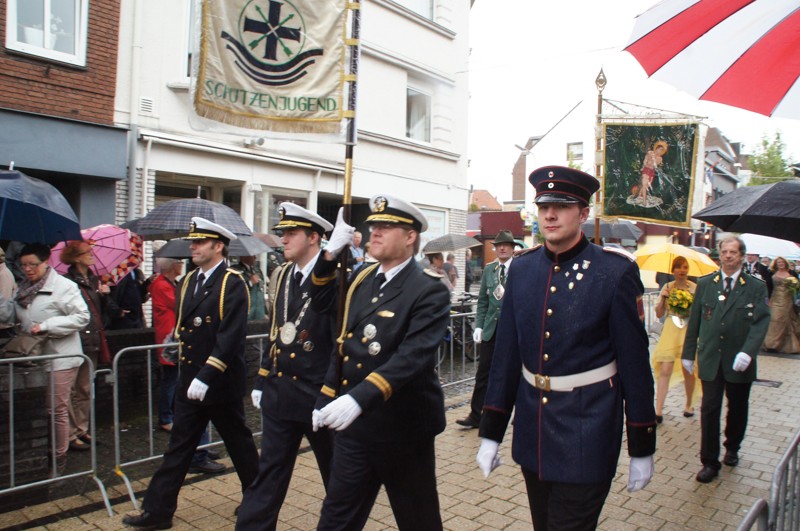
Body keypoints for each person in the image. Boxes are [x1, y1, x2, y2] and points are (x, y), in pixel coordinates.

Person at [477, 166, 656, 530]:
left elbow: (635, 365)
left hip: (588, 431)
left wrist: (642, 445)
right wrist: (491, 432)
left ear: (584, 213)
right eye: (544, 207)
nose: (550, 215)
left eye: (561, 206)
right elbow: (507, 357)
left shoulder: (614, 272)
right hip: (533, 431)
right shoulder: (522, 270)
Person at [311, 195, 451, 530]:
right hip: (357, 429)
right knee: (336, 518)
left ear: (410, 236)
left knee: (418, 520)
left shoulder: (429, 288)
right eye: (374, 225)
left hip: (403, 428)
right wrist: (329, 255)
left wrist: (358, 399)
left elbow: (413, 355)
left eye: (386, 226)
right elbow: (329, 314)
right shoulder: (363, 278)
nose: (374, 232)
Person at [123, 218, 259, 529]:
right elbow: (185, 328)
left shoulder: (232, 282)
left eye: (200, 242)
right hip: (190, 380)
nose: (193, 247)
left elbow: (230, 337)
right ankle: (157, 512)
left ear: (218, 246)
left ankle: (257, 500)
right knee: (178, 447)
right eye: (192, 241)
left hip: (219, 382)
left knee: (239, 445)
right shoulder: (188, 281)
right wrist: (175, 342)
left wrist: (207, 375)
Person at [237, 203, 336, 530]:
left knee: (337, 478)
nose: (284, 239)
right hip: (281, 393)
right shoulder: (282, 275)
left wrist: (330, 395)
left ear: (314, 237)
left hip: (318, 395)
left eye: (292, 233)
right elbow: (277, 332)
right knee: (268, 475)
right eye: (283, 233)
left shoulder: (336, 278)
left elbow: (340, 343)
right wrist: (262, 379)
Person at [681, 236, 770, 483]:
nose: (728, 256)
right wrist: (688, 353)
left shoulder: (755, 286)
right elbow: (695, 320)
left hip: (739, 360)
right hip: (711, 357)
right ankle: (709, 461)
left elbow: (761, 321)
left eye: (733, 252)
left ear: (742, 256)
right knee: (709, 408)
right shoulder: (706, 283)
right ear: (719, 255)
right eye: (724, 251)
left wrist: (748, 351)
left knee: (738, 406)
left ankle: (732, 446)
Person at [0, 243, 90, 476]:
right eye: (23, 265)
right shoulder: (23, 289)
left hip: (61, 357)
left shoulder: (64, 286)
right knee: (45, 409)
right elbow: (10, 315)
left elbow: (82, 317)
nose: (28, 269)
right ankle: (47, 456)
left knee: (55, 410)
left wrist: (47, 325)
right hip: (35, 357)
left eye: (33, 264)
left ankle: (58, 460)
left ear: (46, 262)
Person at [150, 257, 226, 474]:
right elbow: (185, 305)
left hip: (188, 347)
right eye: (178, 262)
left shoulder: (180, 282)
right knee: (177, 389)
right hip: (176, 345)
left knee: (191, 401)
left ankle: (199, 449)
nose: (182, 264)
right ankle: (196, 451)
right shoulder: (166, 284)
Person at [60, 240, 116, 452]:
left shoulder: (93, 280)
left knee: (85, 387)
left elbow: (102, 312)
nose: (92, 255)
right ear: (76, 258)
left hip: (93, 339)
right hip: (77, 339)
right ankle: (71, 432)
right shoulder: (67, 282)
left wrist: (104, 296)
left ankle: (82, 428)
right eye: (87, 252)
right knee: (72, 388)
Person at [456, 229, 515, 429]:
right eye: (499, 246)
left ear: (513, 248)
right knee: (483, 374)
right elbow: (482, 302)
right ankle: (476, 415)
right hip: (491, 330)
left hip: (511, 331)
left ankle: (518, 413)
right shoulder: (490, 269)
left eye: (506, 245)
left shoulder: (520, 269)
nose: (502, 248)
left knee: (513, 373)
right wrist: (479, 326)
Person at [651, 256, 697, 422]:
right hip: (670, 330)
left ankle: (689, 404)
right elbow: (659, 314)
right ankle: (658, 409)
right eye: (678, 267)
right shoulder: (668, 287)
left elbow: (698, 312)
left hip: (687, 330)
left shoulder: (694, 288)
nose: (682, 270)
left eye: (685, 267)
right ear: (673, 270)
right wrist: (663, 298)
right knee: (665, 369)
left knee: (688, 369)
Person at [763, 256, 800, 354]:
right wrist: (767, 299)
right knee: (774, 319)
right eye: (779, 262)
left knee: (785, 320)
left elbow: (797, 287)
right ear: (776, 264)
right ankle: (771, 344)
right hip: (775, 299)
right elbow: (768, 287)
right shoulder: (771, 273)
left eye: (782, 262)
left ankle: (784, 344)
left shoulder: (792, 273)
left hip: (787, 300)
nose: (781, 264)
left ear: (785, 263)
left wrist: (793, 287)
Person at [627, 140, 667, 208]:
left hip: (652, 172)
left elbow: (654, 165)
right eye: (659, 149)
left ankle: (640, 195)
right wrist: (647, 160)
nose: (659, 151)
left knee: (647, 185)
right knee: (645, 185)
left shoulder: (660, 158)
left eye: (661, 150)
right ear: (656, 148)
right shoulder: (650, 152)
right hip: (646, 170)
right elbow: (646, 161)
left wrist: (653, 158)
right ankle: (644, 201)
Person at [232, 255, 267, 321]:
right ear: (244, 256)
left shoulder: (257, 270)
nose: (255, 257)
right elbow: (235, 291)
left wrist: (265, 312)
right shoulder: (235, 271)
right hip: (245, 315)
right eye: (252, 255)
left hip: (259, 315)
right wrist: (250, 283)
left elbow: (261, 292)